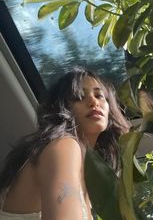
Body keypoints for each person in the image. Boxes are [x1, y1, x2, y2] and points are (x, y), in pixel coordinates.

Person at [0, 66, 130, 220]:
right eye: (79, 97)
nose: (93, 101)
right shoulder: (64, 145)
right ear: (63, 108)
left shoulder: (87, 172)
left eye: (99, 95)